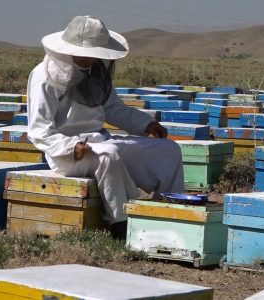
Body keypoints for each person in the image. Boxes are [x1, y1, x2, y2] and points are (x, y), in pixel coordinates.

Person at [27, 15, 185, 239]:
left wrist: (144, 123)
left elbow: (112, 108)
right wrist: (70, 147)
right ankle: (123, 224)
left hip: (101, 141)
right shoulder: (43, 77)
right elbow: (39, 130)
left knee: (168, 150)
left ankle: (170, 212)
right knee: (110, 155)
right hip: (66, 154)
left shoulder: (96, 71)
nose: (93, 59)